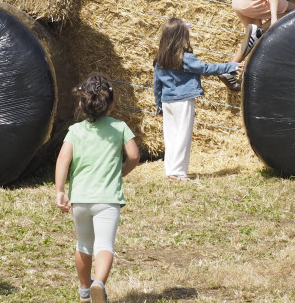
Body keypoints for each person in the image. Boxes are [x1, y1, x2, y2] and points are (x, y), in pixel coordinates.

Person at [55, 73, 140, 303]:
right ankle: (99, 283)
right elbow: (134, 156)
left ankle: (84, 291)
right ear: (111, 104)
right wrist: (121, 171)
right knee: (104, 244)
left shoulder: (75, 131)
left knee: (83, 244)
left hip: (80, 199)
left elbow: (63, 160)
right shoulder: (119, 127)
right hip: (107, 199)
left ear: (82, 103)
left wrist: (60, 190)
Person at [153, 17, 242, 179]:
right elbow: (206, 68)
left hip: (167, 102)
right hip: (183, 101)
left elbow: (156, 85)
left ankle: (171, 170)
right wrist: (232, 66)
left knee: (171, 136)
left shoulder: (160, 59)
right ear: (181, 37)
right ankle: (178, 173)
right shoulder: (185, 58)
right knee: (183, 136)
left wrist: (159, 105)